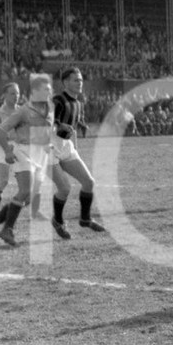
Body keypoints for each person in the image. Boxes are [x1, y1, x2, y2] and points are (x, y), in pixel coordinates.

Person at [0, 74, 56, 247]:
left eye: (49, 89)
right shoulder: (23, 110)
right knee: (23, 191)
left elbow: (46, 132)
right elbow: (1, 131)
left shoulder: (50, 109)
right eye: (45, 89)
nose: (49, 92)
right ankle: (7, 229)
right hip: (23, 152)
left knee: (27, 197)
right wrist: (8, 151)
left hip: (40, 156)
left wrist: (48, 143)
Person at [49, 67, 105, 239]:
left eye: (81, 80)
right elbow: (47, 124)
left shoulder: (78, 103)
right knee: (65, 188)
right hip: (48, 147)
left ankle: (85, 219)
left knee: (89, 182)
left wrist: (75, 147)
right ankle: (58, 220)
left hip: (66, 147)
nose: (80, 83)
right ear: (65, 82)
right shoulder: (57, 100)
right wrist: (59, 127)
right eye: (76, 80)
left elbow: (72, 130)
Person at [0, 82, 43, 231]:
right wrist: (6, 147)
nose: (16, 96)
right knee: (3, 181)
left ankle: (2, 219)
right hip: (4, 149)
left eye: (17, 93)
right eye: (12, 93)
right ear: (4, 95)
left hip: (19, 150)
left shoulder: (22, 111)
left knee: (26, 191)